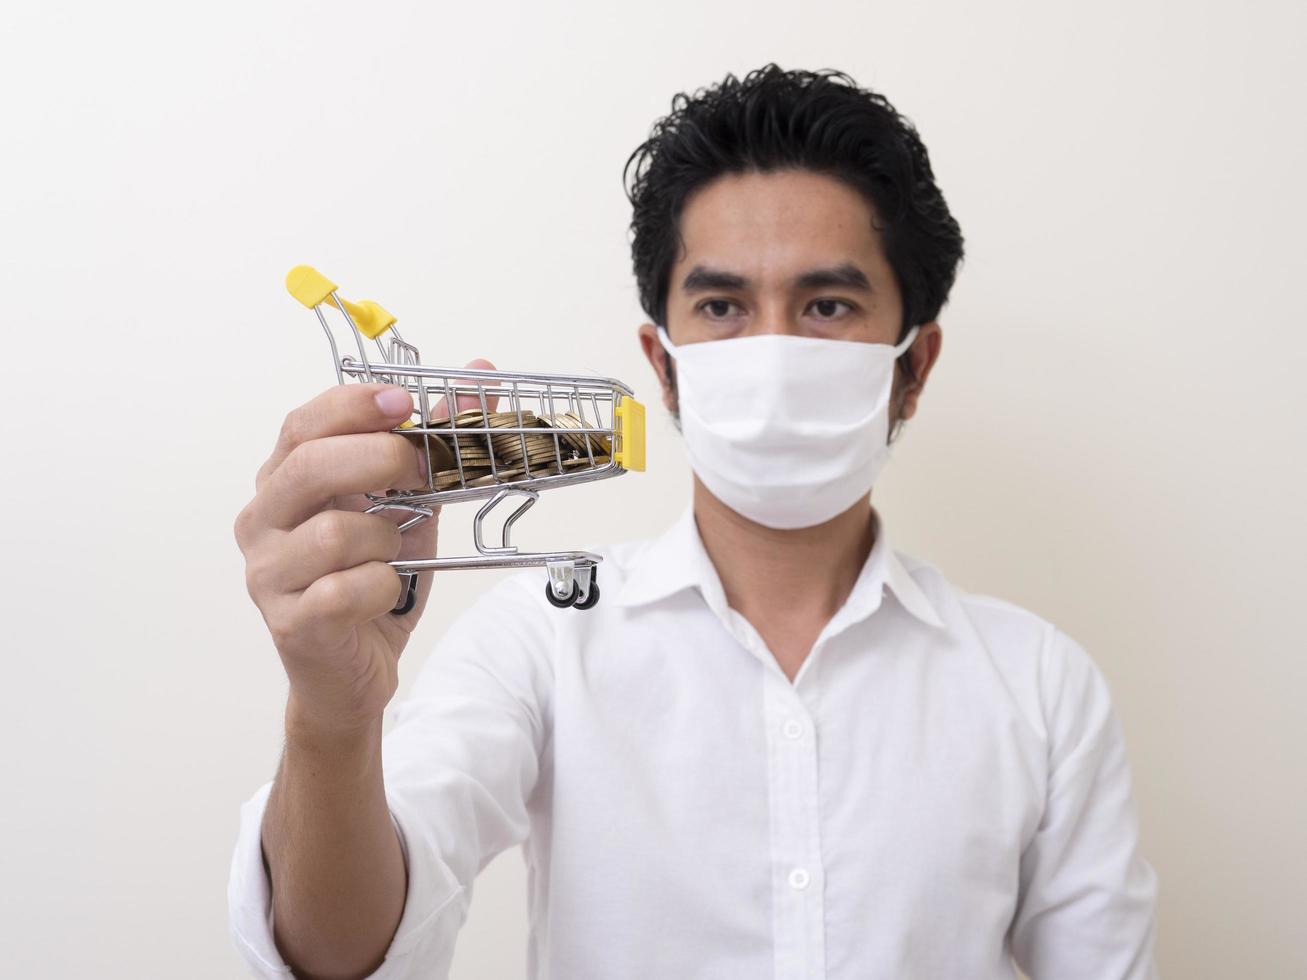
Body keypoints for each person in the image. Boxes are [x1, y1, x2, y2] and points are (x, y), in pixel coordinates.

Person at [228, 64, 1159, 979]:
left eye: (827, 304)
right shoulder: (544, 641)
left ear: (912, 365)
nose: (772, 350)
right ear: (663, 363)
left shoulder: (1039, 688)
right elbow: (334, 953)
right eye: (721, 306)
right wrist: (332, 719)